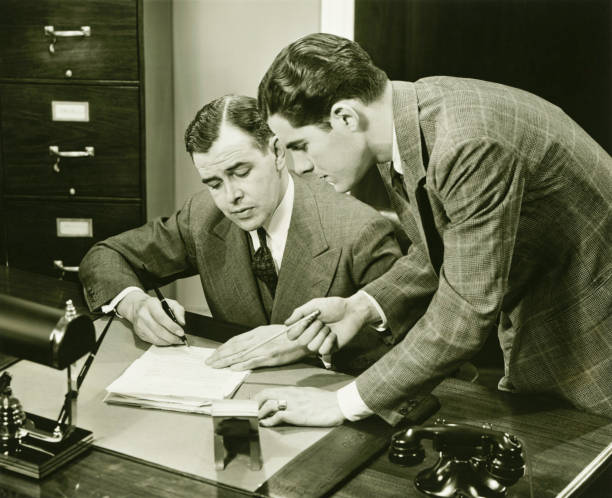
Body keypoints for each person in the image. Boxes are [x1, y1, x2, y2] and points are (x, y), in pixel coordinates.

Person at [252, 33, 612, 427]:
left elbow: (464, 313)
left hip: (594, 334)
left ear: (345, 117)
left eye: (300, 144)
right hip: (554, 318)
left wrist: (339, 404)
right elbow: (444, 245)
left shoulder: (465, 143)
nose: (299, 166)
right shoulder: (407, 122)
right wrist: (360, 307)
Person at [79, 94, 402, 375]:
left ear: (277, 152)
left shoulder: (360, 231)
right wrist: (134, 305)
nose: (230, 197)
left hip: (327, 406)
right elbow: (107, 255)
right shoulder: (203, 216)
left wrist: (308, 345)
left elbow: (401, 352)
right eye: (214, 183)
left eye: (241, 172)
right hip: (234, 402)